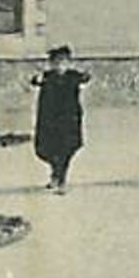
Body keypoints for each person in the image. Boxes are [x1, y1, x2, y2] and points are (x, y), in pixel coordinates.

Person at [32, 45, 90, 194]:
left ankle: (61, 179)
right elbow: (35, 80)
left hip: (69, 120)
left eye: (63, 62)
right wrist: (37, 79)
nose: (59, 66)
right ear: (51, 64)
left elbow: (85, 78)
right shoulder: (48, 76)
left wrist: (84, 75)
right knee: (48, 149)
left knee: (66, 149)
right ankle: (55, 172)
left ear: (69, 63)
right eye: (56, 62)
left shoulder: (73, 76)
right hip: (49, 121)